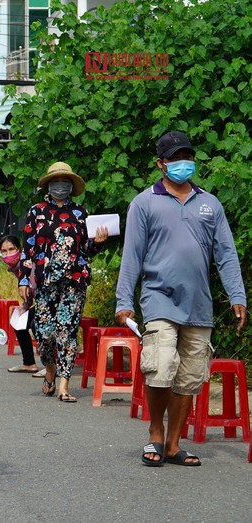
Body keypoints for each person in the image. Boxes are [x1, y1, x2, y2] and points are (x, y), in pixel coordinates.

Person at [116, 131, 246, 467]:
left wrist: (237, 295)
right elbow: (132, 255)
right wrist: (123, 301)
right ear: (161, 164)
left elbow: (226, 254)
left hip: (199, 304)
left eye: (187, 156)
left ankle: (173, 444)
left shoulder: (210, 203)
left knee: (189, 376)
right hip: (159, 298)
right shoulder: (144, 203)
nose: (182, 163)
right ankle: (155, 433)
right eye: (174, 158)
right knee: (159, 366)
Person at [17, 162, 108, 403]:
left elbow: (86, 249)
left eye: (65, 181)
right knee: (45, 334)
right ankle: (50, 369)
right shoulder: (36, 212)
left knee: (67, 331)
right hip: (46, 282)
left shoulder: (81, 213)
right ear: (48, 184)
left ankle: (64, 385)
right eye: (56, 181)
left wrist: (97, 242)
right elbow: (28, 249)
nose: (60, 185)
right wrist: (24, 280)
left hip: (74, 280)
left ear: (71, 185)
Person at [0, 235, 38, 374]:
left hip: (50, 302)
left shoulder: (27, 265)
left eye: (11, 249)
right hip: (38, 302)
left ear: (19, 250)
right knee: (19, 321)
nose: (8, 254)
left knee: (36, 323)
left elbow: (36, 287)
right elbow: (28, 292)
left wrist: (31, 306)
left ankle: (51, 365)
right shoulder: (16, 268)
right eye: (4, 251)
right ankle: (29, 363)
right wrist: (25, 306)